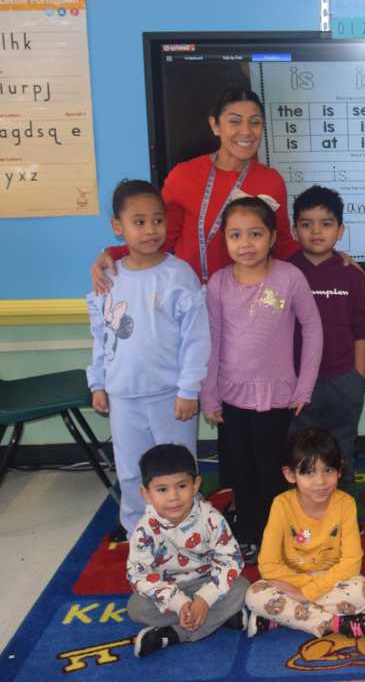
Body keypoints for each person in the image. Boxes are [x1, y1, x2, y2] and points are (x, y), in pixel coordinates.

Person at [199, 196, 323, 562]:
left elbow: (312, 329)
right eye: (235, 235)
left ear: (271, 237)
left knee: (273, 470)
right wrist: (209, 395)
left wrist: (304, 386)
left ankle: (278, 530)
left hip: (278, 396)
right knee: (241, 469)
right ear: (225, 239)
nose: (246, 243)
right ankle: (249, 531)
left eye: (255, 234)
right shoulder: (218, 284)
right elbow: (210, 340)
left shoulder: (289, 277)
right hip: (231, 396)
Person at [87, 180, 210, 538]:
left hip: (170, 397)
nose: (151, 230)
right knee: (130, 470)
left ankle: (187, 531)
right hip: (123, 396)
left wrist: (189, 389)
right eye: (139, 222)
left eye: (157, 220)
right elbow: (101, 335)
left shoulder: (179, 274)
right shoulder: (109, 277)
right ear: (117, 226)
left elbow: (196, 338)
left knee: (178, 469)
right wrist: (98, 382)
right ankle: (139, 532)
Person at [91, 88, 301, 292]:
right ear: (215, 125)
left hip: (248, 297)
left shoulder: (271, 180)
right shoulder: (184, 175)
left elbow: (281, 244)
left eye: (254, 122)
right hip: (189, 294)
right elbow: (161, 238)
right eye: (235, 121)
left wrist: (319, 257)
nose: (246, 131)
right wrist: (114, 253)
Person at [246, 428, 365, 639]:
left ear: (339, 470)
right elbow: (268, 565)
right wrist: (302, 587)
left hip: (332, 579)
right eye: (309, 472)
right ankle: (335, 624)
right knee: (254, 596)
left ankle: (280, 616)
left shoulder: (345, 503)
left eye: (328, 470)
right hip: (292, 578)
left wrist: (306, 593)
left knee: (363, 590)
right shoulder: (281, 505)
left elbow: (351, 562)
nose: (320, 481)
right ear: (290, 475)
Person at [126, 444, 248, 657]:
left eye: (181, 486)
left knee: (243, 588)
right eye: (162, 490)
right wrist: (178, 602)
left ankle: (176, 634)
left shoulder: (211, 518)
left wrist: (205, 599)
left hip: (208, 581)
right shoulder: (144, 529)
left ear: (195, 485)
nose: (173, 497)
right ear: (146, 494)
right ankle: (219, 617)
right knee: (136, 608)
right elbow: (138, 574)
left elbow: (231, 560)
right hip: (168, 589)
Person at [287, 185, 365, 479]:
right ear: (294, 230)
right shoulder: (284, 272)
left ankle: (342, 497)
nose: (316, 231)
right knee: (299, 446)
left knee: (341, 445)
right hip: (296, 379)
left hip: (343, 378)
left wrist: (358, 378)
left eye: (326, 223)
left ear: (340, 230)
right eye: (306, 224)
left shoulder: (352, 274)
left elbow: (361, 331)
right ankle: (301, 502)